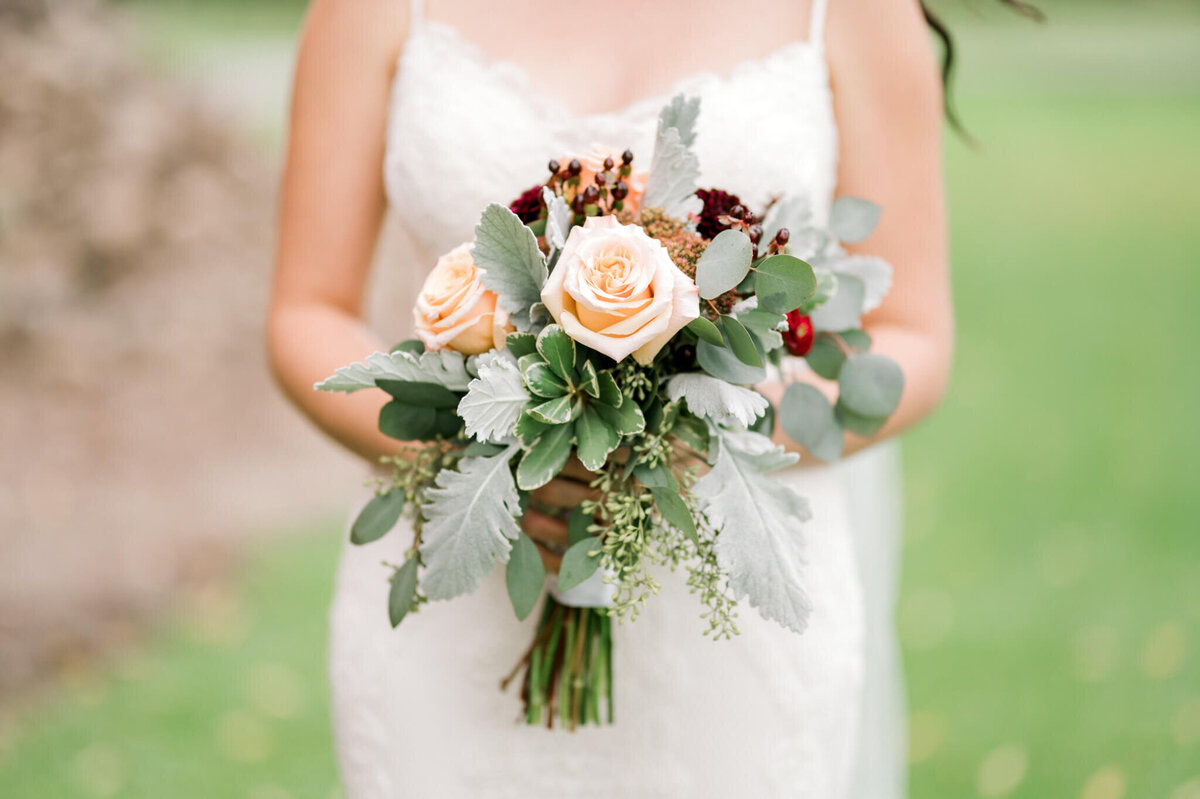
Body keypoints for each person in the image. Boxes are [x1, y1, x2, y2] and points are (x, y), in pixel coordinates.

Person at [267, 0, 957, 795]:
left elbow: (913, 336)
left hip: (733, 639)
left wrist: (691, 435)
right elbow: (305, 309)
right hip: (451, 608)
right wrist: (480, 458)